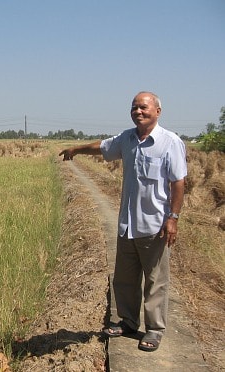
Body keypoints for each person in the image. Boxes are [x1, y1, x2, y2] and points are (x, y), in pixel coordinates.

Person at [59, 91, 187, 352]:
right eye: (134, 108)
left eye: (144, 107)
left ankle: (154, 330)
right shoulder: (127, 139)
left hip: (154, 225)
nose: (138, 111)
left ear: (157, 112)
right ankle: (128, 321)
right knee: (125, 278)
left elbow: (178, 183)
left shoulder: (170, 142)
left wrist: (172, 218)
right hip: (128, 223)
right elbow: (103, 147)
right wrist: (76, 149)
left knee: (155, 280)